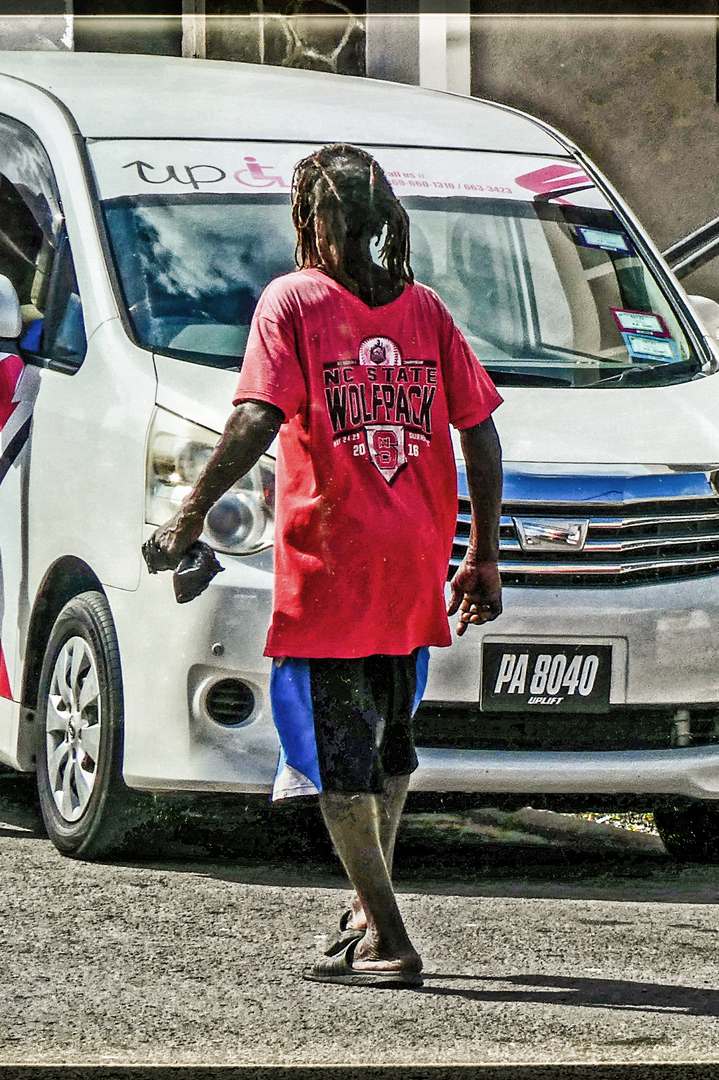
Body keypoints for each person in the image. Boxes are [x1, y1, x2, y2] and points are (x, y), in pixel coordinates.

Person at [147, 144, 504, 988]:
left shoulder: (294, 300)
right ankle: (363, 903)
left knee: (339, 754)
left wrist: (187, 515)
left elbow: (254, 421)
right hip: (415, 555)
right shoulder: (424, 310)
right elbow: (480, 430)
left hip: (334, 560)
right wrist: (482, 553)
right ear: (383, 222)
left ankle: (386, 933)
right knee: (391, 742)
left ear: (312, 219)